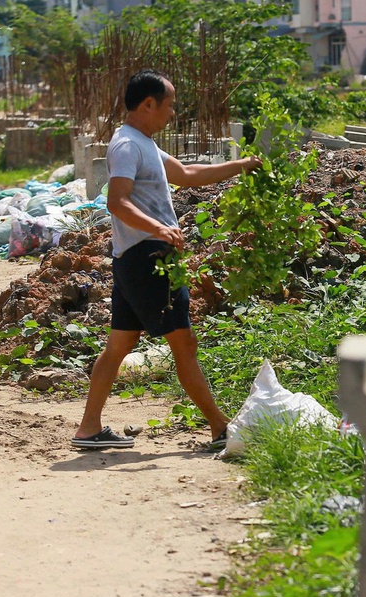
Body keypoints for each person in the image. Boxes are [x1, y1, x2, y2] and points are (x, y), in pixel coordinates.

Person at [72, 69, 262, 450]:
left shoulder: (143, 143)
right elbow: (116, 201)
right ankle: (220, 427)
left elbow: (187, 174)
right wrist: (159, 228)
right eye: (170, 105)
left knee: (119, 346)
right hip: (149, 258)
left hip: (134, 259)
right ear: (148, 104)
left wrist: (240, 166)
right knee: (184, 342)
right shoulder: (127, 146)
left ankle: (89, 429)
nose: (173, 112)